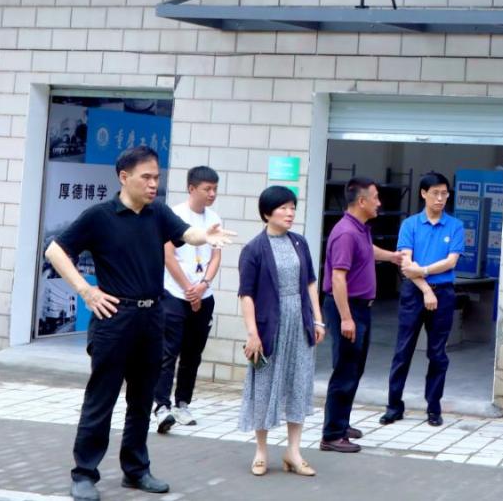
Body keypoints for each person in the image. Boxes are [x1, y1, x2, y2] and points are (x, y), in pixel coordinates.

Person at [43, 146, 235, 501]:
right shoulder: (99, 216)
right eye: (146, 177)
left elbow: (186, 234)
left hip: (152, 317)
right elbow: (55, 251)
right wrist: (87, 291)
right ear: (124, 177)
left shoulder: (157, 212)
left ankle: (136, 470)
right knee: (101, 398)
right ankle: (84, 474)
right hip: (114, 319)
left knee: (142, 400)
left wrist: (205, 236)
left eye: (156, 178)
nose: (153, 184)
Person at [238, 185, 325, 477]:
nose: (290, 213)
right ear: (267, 213)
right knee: (264, 385)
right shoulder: (254, 249)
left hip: (299, 321)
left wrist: (318, 319)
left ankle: (293, 452)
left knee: (298, 383)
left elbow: (310, 283)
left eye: (292, 208)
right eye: (283, 208)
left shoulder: (299, 242)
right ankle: (261, 452)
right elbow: (246, 295)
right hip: (269, 326)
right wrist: (252, 333)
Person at [321, 176, 403, 453]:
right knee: (345, 371)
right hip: (348, 308)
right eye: (376, 198)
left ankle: (341, 424)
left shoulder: (359, 229)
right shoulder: (346, 233)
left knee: (354, 368)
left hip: (359, 308)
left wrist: (392, 257)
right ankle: (332, 435)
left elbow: (368, 251)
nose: (379, 203)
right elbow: (338, 278)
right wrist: (346, 318)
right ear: (362, 201)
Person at [378, 172, 465, 427]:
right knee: (403, 350)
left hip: (444, 293)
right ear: (423, 193)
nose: (440, 198)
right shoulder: (410, 225)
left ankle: (433, 407)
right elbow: (406, 264)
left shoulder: (455, 226)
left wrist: (424, 271)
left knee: (438, 353)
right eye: (435, 193)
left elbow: (451, 261)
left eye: (444, 193)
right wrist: (426, 289)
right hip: (414, 293)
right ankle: (394, 406)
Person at [153, 166, 222, 434]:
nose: (212, 194)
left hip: (204, 295)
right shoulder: (175, 215)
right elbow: (168, 256)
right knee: (168, 352)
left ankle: (183, 403)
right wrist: (188, 288)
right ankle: (161, 406)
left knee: (193, 354)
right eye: (207, 189)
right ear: (192, 188)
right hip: (174, 294)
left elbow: (216, 256)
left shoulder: (214, 218)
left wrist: (203, 285)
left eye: (215, 189)